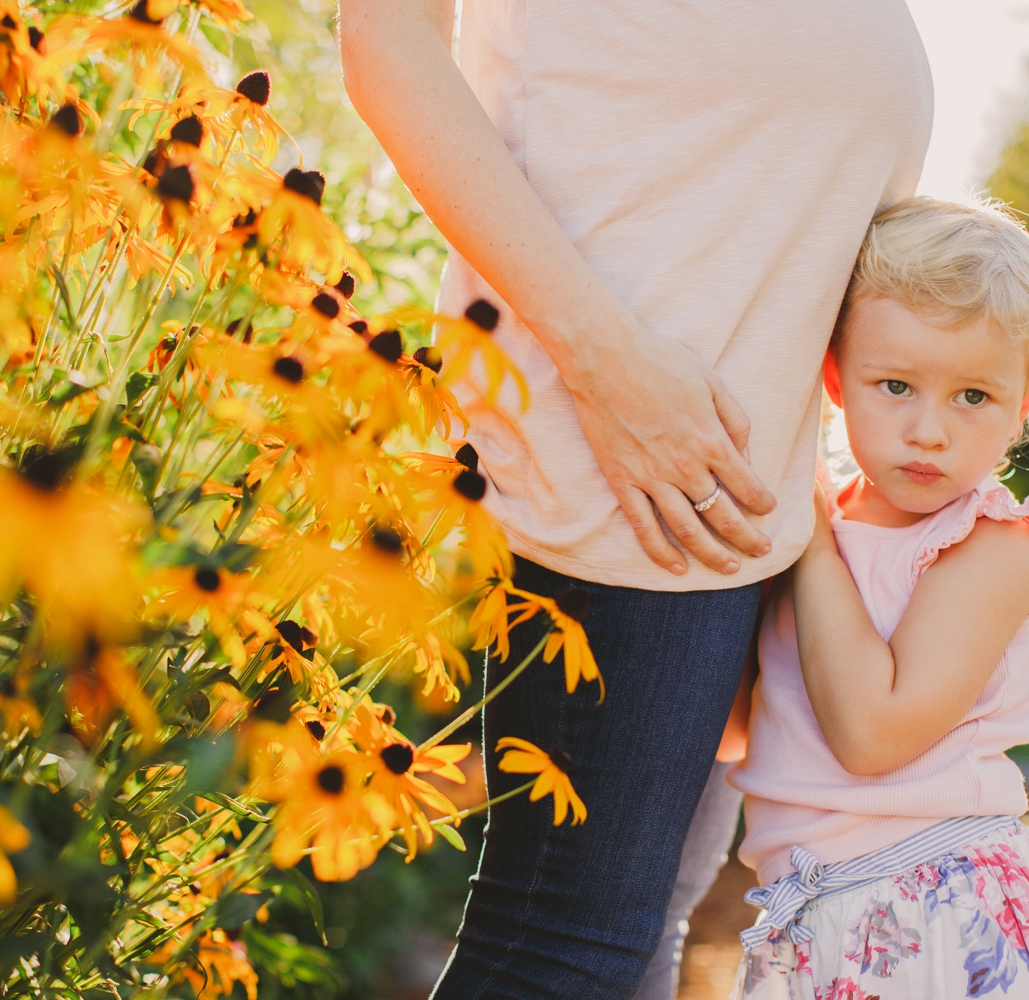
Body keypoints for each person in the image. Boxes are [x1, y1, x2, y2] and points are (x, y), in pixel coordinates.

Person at [338, 3, 932, 998]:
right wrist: (600, 356)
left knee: (639, 934)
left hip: (722, 472)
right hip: (625, 446)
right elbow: (385, 39)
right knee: (564, 949)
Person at [726, 197, 1029, 999]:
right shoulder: (817, 522)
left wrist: (811, 545)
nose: (929, 431)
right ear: (835, 378)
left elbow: (872, 735)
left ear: (1024, 401)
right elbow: (739, 732)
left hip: (939, 913)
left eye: (973, 396)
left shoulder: (991, 544)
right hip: (814, 915)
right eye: (896, 385)